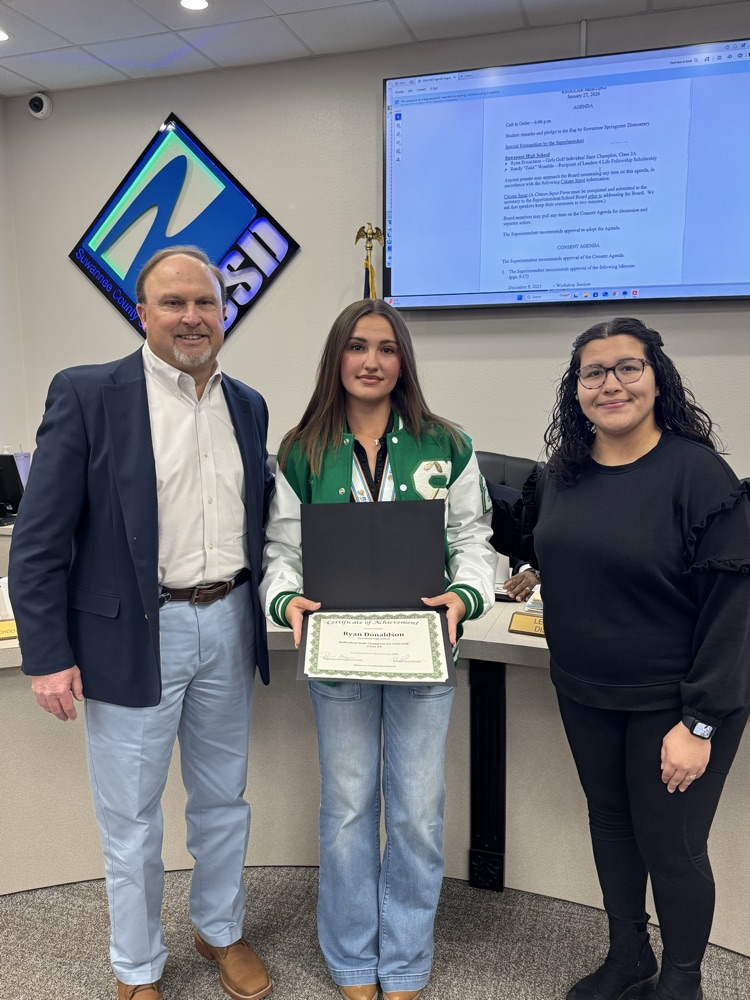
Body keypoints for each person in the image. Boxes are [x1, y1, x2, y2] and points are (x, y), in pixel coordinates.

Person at [8, 247, 274, 1000]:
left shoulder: (246, 404)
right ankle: (138, 966)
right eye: (173, 303)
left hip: (227, 618)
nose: (192, 317)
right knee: (131, 814)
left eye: (206, 303)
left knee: (224, 796)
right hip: (133, 633)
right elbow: (38, 539)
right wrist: (46, 655)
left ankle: (218, 930)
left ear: (223, 312)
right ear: (142, 312)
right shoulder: (90, 395)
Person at [259, 299, 496, 1000]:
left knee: (418, 810)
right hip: (337, 651)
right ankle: (354, 958)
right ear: (337, 357)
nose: (371, 361)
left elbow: (475, 542)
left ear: (404, 361)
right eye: (357, 347)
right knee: (350, 808)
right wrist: (285, 598)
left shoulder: (447, 444)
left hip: (423, 649)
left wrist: (463, 597)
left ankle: (405, 963)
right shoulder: (300, 450)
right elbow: (281, 551)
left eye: (387, 349)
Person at [521, 317, 750, 1000]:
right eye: (594, 372)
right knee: (612, 824)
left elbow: (732, 610)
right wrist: (537, 573)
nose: (611, 384)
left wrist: (701, 722)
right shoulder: (565, 470)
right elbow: (565, 546)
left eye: (628, 367)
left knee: (671, 845)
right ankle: (629, 956)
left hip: (674, 704)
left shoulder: (698, 474)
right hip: (585, 690)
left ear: (657, 377)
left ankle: (682, 980)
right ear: (576, 388)